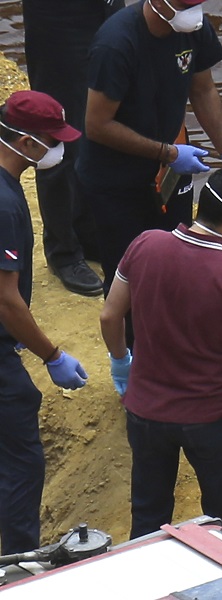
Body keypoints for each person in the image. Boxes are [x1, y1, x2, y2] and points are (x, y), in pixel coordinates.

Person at [99, 168, 222, 540]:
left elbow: (110, 314)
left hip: (146, 411)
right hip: (209, 417)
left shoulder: (146, 244)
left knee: (148, 515)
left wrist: (122, 363)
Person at [78, 0, 222, 301]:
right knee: (128, 275)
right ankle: (128, 347)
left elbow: (203, 89)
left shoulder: (193, 27)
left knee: (177, 263)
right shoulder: (116, 44)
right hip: (117, 178)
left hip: (169, 172)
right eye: (183, 5)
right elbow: (98, 124)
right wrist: (170, 154)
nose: (193, 13)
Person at [0, 90, 89, 554]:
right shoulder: (6, 204)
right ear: (26, 142)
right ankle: (16, 564)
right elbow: (7, 302)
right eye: (52, 140)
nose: (59, 149)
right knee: (22, 461)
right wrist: (51, 355)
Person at [21, 0, 124, 296]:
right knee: (59, 123)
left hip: (107, 7)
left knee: (108, 112)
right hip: (60, 15)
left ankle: (89, 231)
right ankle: (62, 249)